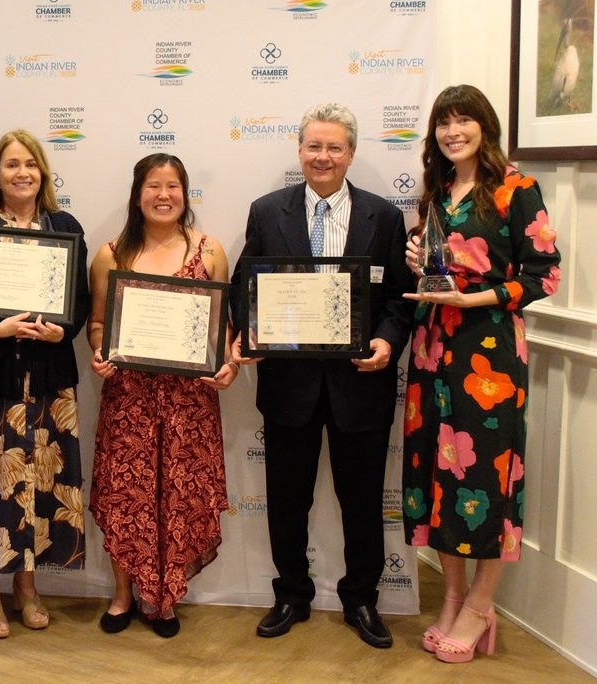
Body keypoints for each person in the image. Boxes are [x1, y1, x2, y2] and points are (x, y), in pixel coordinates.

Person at [230, 102, 413, 648]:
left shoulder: (385, 216)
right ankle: (291, 594)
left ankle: (361, 600)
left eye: (334, 147)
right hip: (290, 386)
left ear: (351, 154)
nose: (323, 156)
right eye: (314, 146)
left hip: (362, 383)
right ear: (300, 150)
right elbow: (244, 285)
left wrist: (387, 341)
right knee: (288, 501)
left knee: (363, 502)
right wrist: (248, 333)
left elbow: (399, 299)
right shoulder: (267, 212)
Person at [402, 84, 561, 663]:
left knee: (486, 477)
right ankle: (452, 598)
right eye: (444, 123)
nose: (453, 132)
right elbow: (441, 269)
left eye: (463, 120)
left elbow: (543, 275)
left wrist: (474, 298)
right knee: (436, 475)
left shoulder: (517, 188)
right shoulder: (437, 192)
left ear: (485, 127)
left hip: (488, 354)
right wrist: (420, 262)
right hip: (432, 350)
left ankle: (481, 606)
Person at [0, 130, 90, 638]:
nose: (21, 173)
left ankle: (27, 586)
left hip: (47, 383)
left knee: (38, 486)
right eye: (11, 164)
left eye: (30, 163)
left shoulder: (64, 227)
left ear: (43, 173)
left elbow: (80, 301)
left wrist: (62, 331)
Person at [87, 153, 235, 638]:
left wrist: (228, 364)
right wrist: (98, 352)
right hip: (129, 399)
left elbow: (223, 326)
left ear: (185, 194)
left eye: (173, 186)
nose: (164, 195)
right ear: (137, 195)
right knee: (126, 497)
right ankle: (123, 595)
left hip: (189, 404)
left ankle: (166, 597)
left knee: (179, 496)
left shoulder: (210, 251)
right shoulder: (111, 255)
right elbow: (97, 323)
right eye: (153, 185)